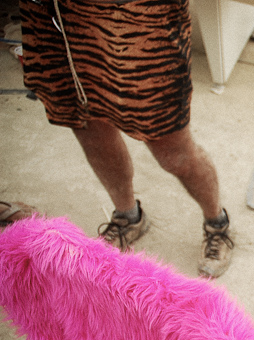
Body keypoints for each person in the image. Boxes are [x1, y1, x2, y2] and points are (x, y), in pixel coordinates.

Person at [19, 0, 233, 278]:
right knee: (89, 125)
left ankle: (217, 223)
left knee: (172, 151)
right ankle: (128, 217)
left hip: (138, 19)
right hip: (59, 18)